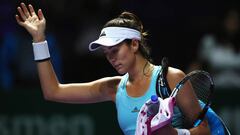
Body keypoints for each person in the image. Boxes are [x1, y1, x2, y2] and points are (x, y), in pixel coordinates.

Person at [15, 2, 210, 135]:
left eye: (115, 50)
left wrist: (176, 134)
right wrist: (39, 39)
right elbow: (52, 91)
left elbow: (205, 130)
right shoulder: (114, 88)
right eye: (107, 54)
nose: (111, 59)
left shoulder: (171, 78)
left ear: (134, 44)